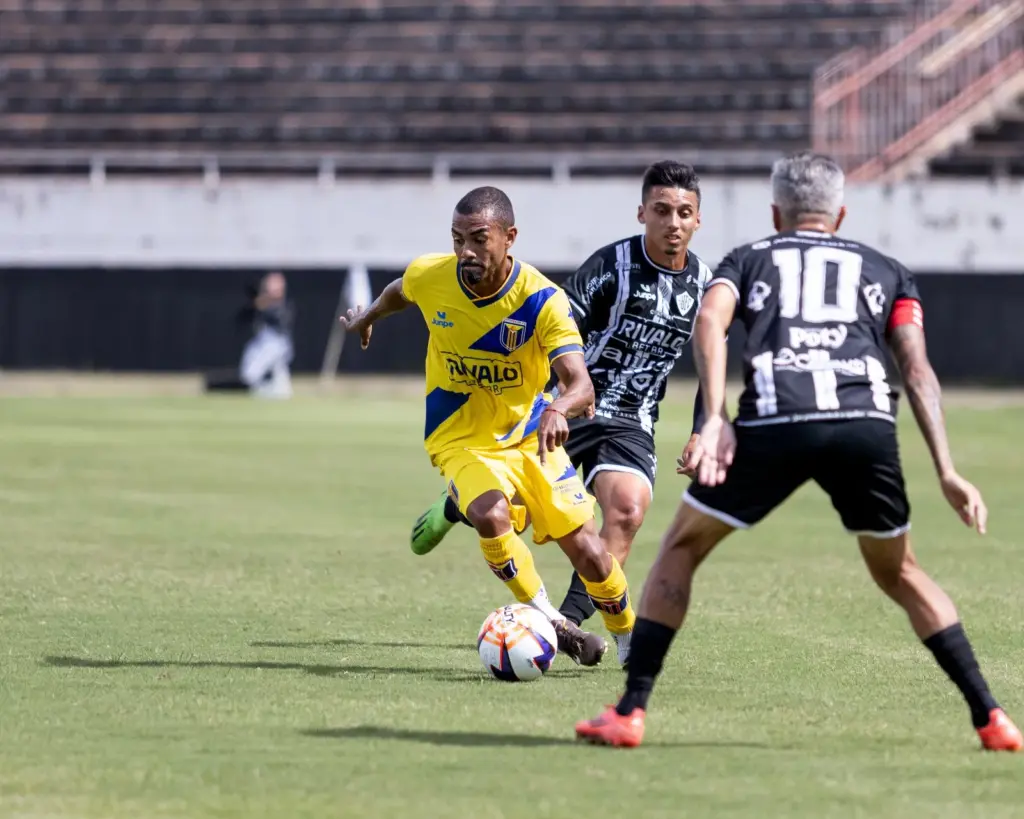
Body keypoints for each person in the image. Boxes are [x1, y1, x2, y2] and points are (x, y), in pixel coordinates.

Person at [575, 151, 1022, 751]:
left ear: (775, 212)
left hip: (776, 420)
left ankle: (630, 712)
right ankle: (991, 717)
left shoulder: (748, 259)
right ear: (838, 214)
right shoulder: (887, 270)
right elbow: (916, 371)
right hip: (866, 423)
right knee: (903, 573)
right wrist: (947, 469)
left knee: (679, 548)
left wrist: (714, 419)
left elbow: (710, 320)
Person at [409, 162, 712, 665]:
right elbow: (550, 329)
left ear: (698, 220)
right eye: (661, 211)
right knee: (499, 509)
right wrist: (547, 401)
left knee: (624, 515)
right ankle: (461, 509)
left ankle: (568, 624)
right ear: (643, 213)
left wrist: (704, 430)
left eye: (684, 213)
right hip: (558, 407)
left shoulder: (704, 285)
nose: (672, 223)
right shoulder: (610, 267)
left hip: (629, 416)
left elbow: (710, 362)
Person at [340, 186, 636, 667]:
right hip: (458, 435)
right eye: (457, 239)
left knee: (591, 554)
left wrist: (559, 409)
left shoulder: (543, 300)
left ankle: (628, 637)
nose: (466, 252)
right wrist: (367, 317)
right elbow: (401, 291)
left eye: (478, 239)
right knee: (492, 515)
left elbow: (580, 383)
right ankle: (553, 623)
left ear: (509, 237)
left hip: (526, 437)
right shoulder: (432, 275)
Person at [239, 271, 294, 399]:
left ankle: (272, 388)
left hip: (277, 344)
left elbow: (280, 320)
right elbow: (243, 318)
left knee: (279, 385)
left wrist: (263, 304)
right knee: (248, 374)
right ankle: (264, 388)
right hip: (262, 343)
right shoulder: (261, 303)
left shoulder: (284, 305)